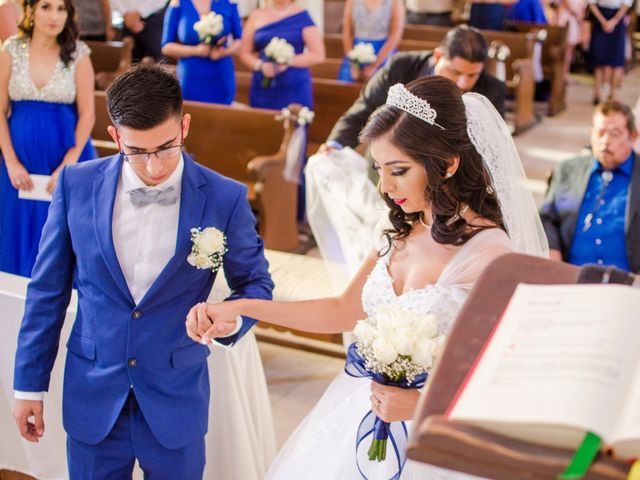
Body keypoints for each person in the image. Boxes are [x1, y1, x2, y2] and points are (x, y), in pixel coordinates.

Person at [187, 76, 548, 479]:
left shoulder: (489, 252)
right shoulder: (397, 232)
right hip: (360, 407)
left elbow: (506, 374)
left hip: (434, 436)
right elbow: (343, 310)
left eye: (398, 170)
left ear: (447, 164)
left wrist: (421, 403)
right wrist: (241, 308)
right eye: (378, 168)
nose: (385, 186)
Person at [12, 65, 274, 479]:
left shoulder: (224, 197)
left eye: (166, 148)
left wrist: (230, 318)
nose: (153, 167)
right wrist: (29, 385)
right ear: (115, 136)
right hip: (92, 400)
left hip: (176, 402)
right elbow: (47, 292)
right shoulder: (76, 186)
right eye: (136, 151)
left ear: (184, 126)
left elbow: (256, 284)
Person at [0, 0, 96, 278]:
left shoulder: (79, 54)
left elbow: (88, 115)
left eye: (61, 9)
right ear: (30, 10)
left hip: (65, 158)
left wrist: (68, 164)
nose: (55, 16)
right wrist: (11, 162)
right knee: (15, 231)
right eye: (46, 7)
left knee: (61, 235)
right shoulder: (11, 50)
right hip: (18, 162)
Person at [325, 25, 507, 152]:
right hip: (394, 158)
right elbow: (366, 107)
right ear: (438, 56)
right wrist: (335, 144)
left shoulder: (492, 90)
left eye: (472, 75)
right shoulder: (401, 66)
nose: (462, 83)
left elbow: (491, 145)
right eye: (455, 71)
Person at [540, 100, 639, 273]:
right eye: (600, 133)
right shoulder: (569, 170)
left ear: (633, 136)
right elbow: (547, 218)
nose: (605, 141)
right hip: (571, 278)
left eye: (615, 133)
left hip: (629, 285)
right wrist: (552, 251)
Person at [239, 0, 325, 110]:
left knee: (292, 124)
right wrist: (260, 65)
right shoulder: (256, 15)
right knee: (262, 123)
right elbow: (244, 52)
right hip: (263, 86)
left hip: (294, 86)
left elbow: (318, 55)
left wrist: (288, 61)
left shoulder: (302, 16)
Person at [161, 0, 243, 104]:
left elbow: (239, 40)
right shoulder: (178, 3)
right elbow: (166, 46)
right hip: (191, 75)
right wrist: (196, 51)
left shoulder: (228, 2)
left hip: (221, 73)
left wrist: (224, 52)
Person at [337, 0, 405, 83]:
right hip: (356, 52)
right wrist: (353, 64)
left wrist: (374, 66)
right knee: (348, 79)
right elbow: (346, 32)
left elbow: (395, 35)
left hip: (383, 51)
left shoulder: (395, 1)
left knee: (380, 84)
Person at [587, 0, 631, 104]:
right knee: (598, 57)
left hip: (617, 18)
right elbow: (591, 3)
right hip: (600, 16)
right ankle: (597, 92)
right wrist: (603, 21)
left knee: (616, 59)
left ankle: (613, 93)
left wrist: (614, 21)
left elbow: (626, 4)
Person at [557, 0, 587, 81]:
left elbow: (583, 7)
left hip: (576, 20)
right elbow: (565, 2)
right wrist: (576, 13)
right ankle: (559, 73)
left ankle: (565, 73)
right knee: (564, 48)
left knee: (570, 49)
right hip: (566, 18)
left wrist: (580, 17)